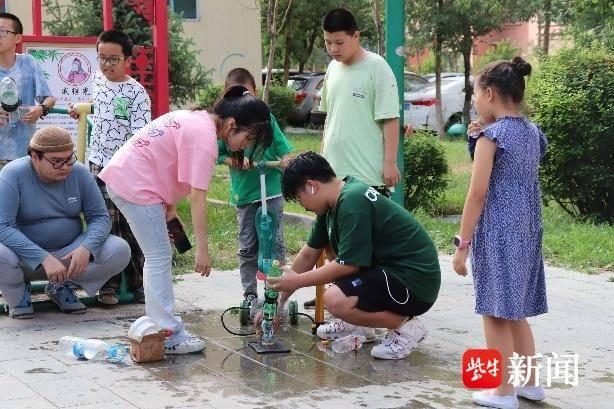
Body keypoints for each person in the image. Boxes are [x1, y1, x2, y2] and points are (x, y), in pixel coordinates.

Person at [99, 85, 273, 354]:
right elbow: (198, 197)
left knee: (158, 255)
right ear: (232, 125)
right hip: (134, 185)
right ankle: (168, 334)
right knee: (158, 257)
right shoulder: (204, 140)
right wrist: (202, 249)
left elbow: (164, 157)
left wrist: (168, 204)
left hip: (129, 178)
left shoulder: (196, 119)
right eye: (248, 139)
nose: (245, 146)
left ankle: (161, 326)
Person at [268, 152, 441, 360]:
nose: (302, 205)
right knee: (332, 249)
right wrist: (278, 304)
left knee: (335, 300)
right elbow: (308, 255)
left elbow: (348, 265)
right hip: (387, 274)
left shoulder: (352, 201)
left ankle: (406, 327)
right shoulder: (333, 205)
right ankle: (360, 325)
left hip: (413, 281)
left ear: (311, 186)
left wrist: (297, 281)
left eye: (298, 197)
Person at [452, 57, 548, 409]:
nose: (475, 101)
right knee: (515, 311)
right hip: (527, 229)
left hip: (498, 233)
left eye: (476, 94)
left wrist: (462, 244)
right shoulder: (533, 133)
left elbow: (477, 195)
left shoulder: (491, 138)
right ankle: (530, 384)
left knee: (494, 312)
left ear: (489, 93)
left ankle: (503, 392)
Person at [302, 8, 402, 310]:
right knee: (334, 247)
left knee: (365, 253)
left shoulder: (377, 67)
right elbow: (331, 118)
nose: (333, 49)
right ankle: (347, 306)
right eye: (328, 43)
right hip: (332, 174)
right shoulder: (332, 69)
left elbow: (390, 119)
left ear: (356, 36)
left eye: (339, 43)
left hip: (365, 176)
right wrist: (321, 160)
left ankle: (370, 308)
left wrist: (389, 162)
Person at [0, 126, 130, 319]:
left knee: (119, 250)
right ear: (35, 157)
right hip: (24, 258)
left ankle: (62, 286)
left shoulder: (80, 173)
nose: (66, 167)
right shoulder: (13, 174)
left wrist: (86, 247)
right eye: (57, 161)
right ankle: (18, 294)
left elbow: (100, 218)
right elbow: (3, 227)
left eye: (69, 159)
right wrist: (43, 257)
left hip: (68, 254)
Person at [69, 30, 151, 305]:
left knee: (129, 227)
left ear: (127, 59)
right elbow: (100, 109)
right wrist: (81, 109)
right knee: (105, 225)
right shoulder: (96, 81)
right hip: (96, 165)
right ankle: (109, 285)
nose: (106, 65)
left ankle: (139, 283)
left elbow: (141, 139)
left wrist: (130, 172)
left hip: (125, 170)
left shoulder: (137, 94)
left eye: (113, 59)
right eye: (101, 58)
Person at [217, 68, 293, 308]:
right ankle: (249, 293)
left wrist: (287, 159)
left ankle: (276, 290)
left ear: (255, 93)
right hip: (245, 193)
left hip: (271, 189)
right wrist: (237, 161)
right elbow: (219, 155)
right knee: (248, 244)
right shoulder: (227, 124)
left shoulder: (265, 119)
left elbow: (283, 147)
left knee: (275, 241)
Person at [0, 13, 55, 168]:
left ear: (18, 38)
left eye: (2, 31)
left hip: (24, 151)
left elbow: (49, 98)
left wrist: (40, 109)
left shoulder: (28, 63)